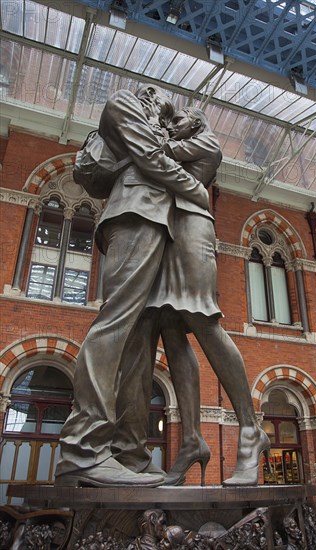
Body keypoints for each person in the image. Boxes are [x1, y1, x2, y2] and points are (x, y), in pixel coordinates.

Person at [54, 87, 210, 488]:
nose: (166, 112)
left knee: (140, 343)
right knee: (115, 324)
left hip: (157, 222)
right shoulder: (123, 103)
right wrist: (196, 191)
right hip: (134, 214)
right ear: (148, 96)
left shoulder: (157, 125)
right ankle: (83, 447)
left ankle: (130, 453)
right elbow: (151, 159)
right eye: (162, 104)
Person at [113, 108, 270, 487]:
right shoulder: (181, 141)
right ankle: (191, 439)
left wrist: (159, 120)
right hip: (166, 232)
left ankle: (251, 430)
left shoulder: (206, 142)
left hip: (193, 230)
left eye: (179, 118)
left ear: (196, 122)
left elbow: (156, 151)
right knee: (170, 330)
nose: (172, 123)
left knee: (202, 319)